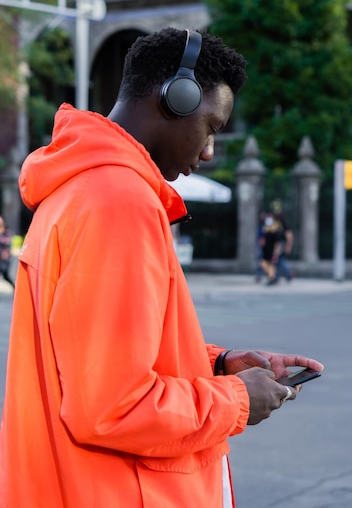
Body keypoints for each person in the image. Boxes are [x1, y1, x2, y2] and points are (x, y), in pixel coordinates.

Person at [0, 28, 323, 508]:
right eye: (211, 127)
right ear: (175, 97)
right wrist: (236, 399)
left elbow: (97, 355)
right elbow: (113, 407)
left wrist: (219, 364)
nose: (209, 151)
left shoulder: (77, 189)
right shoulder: (119, 202)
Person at [259, 213, 282, 285]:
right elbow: (262, 242)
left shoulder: (274, 233)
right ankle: (272, 277)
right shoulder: (265, 232)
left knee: (271, 265)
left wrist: (276, 252)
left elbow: (277, 244)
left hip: (271, 251)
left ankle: (272, 278)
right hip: (266, 251)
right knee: (264, 264)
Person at [0, 216, 15, 289]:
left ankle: (15, 288)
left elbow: (7, 242)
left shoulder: (7, 232)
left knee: (6, 276)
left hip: (4, 260)